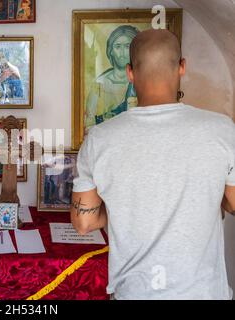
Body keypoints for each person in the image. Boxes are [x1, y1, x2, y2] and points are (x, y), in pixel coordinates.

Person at [71, 29, 235, 300]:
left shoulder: (100, 138)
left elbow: (84, 223)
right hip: (204, 292)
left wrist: (126, 211)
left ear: (130, 72)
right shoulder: (222, 130)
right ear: (182, 66)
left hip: (135, 292)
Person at [86, 25, 139, 128]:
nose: (123, 52)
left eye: (127, 46)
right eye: (118, 46)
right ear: (111, 51)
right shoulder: (99, 84)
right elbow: (89, 124)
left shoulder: (141, 82)